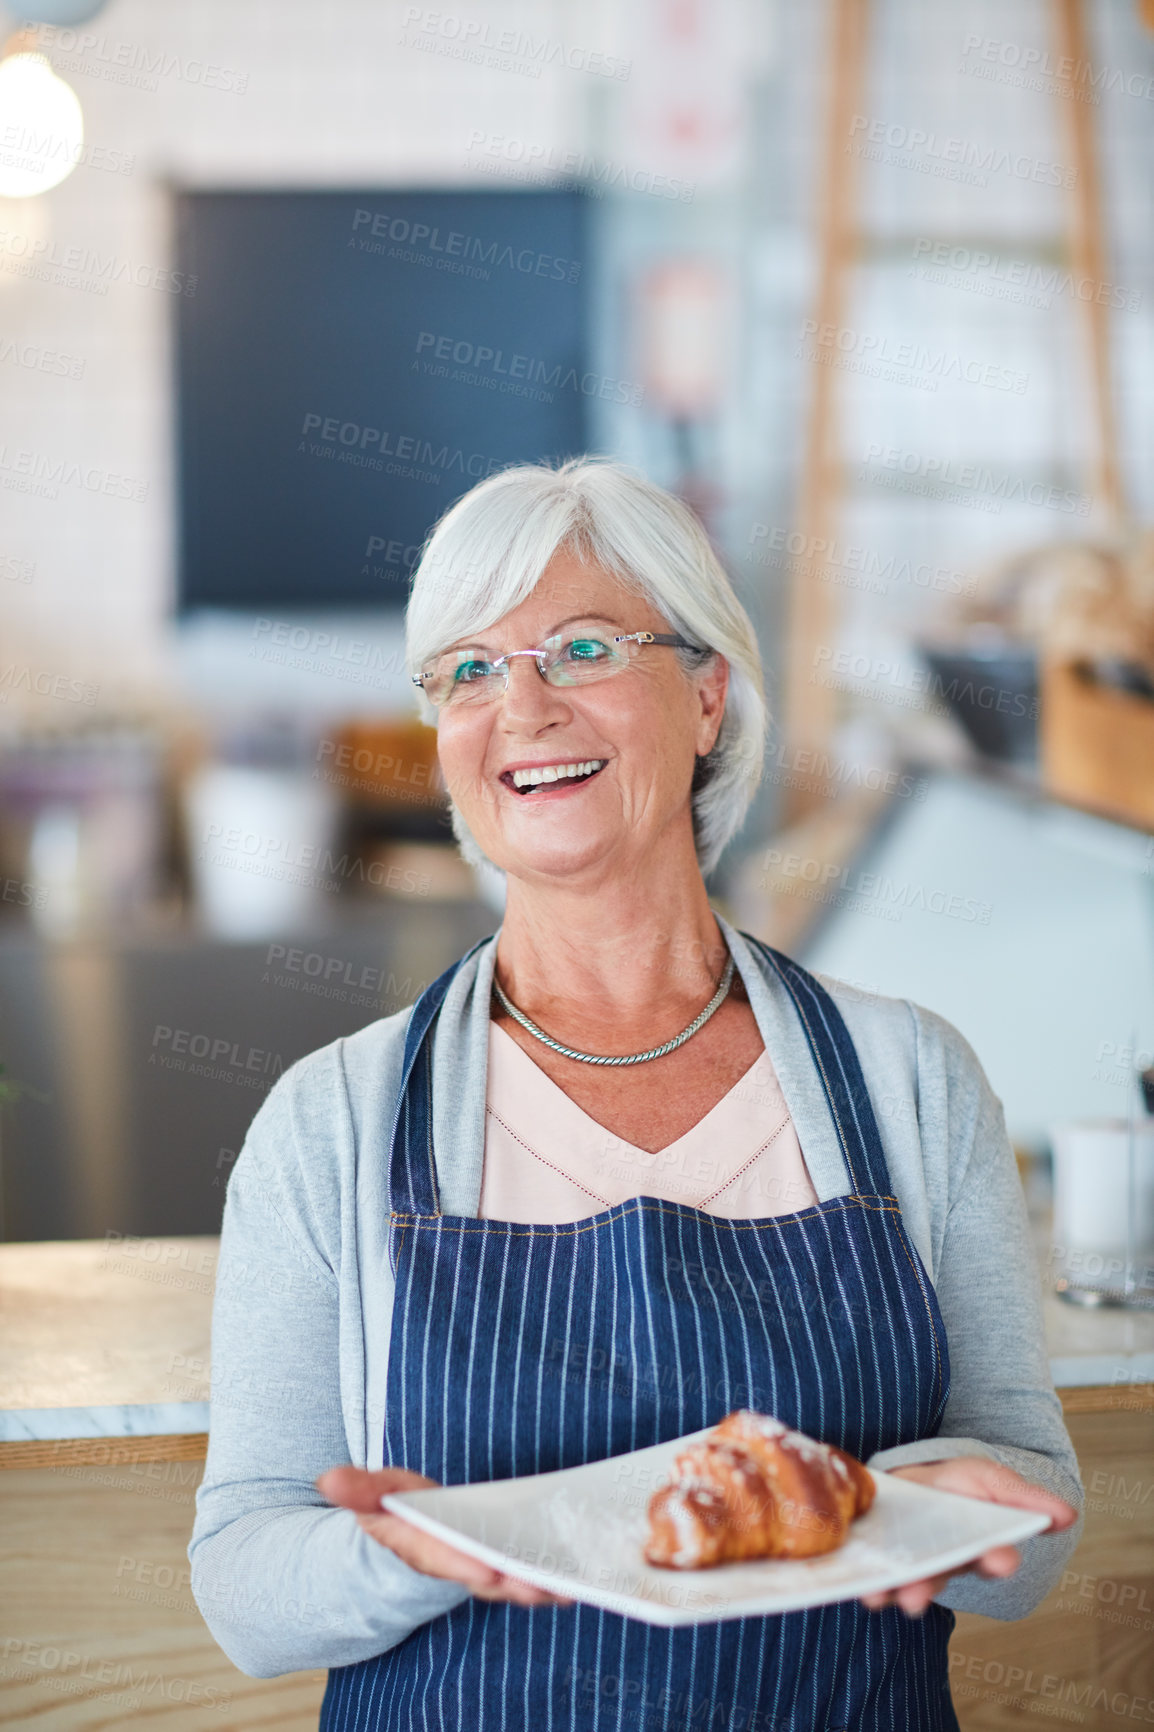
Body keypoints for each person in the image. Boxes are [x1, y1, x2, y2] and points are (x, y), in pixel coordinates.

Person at [190, 457, 1081, 1730]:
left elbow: (1031, 1529)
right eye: (469, 670)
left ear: (709, 692)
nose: (524, 706)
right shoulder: (334, 1120)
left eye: (583, 647)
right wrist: (409, 1552)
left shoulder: (908, 1081)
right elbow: (242, 1590)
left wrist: (935, 1504)